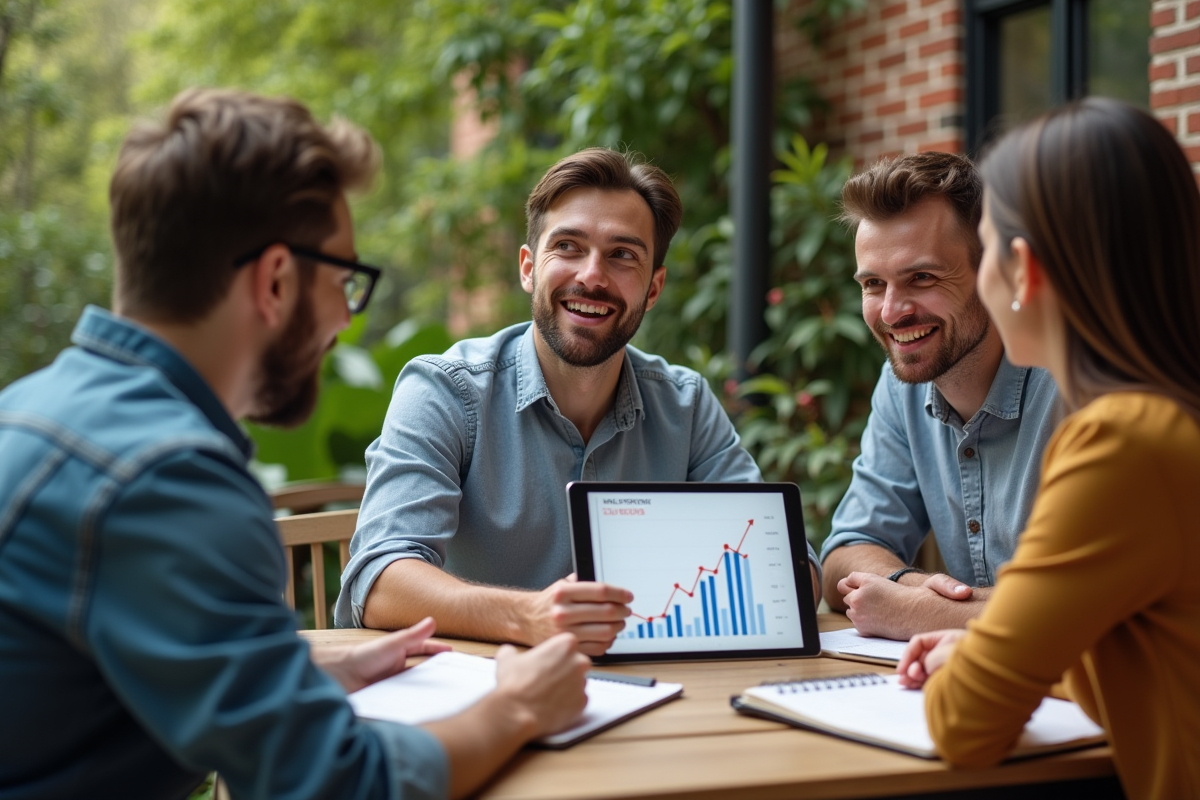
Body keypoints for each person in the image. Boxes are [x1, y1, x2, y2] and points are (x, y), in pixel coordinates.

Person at [0, 88, 591, 800]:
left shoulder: (32, 411)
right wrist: (520, 706)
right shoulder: (171, 480)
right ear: (277, 280)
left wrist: (297, 675)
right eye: (345, 280)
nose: (345, 317)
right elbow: (336, 786)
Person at [336, 147, 821, 650]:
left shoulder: (687, 406)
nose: (592, 275)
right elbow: (379, 583)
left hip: (656, 697)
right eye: (568, 246)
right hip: (487, 694)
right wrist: (527, 616)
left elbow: (792, 572)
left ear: (653, 289)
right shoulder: (445, 392)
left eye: (622, 255)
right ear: (528, 268)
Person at [897, 98, 1200, 800]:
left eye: (987, 245)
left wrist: (981, 666)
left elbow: (965, 724)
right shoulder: (1171, 421)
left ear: (1023, 268)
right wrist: (997, 649)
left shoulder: (1120, 441)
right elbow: (1161, 652)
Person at [818, 151, 1061, 640]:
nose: (891, 313)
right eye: (872, 284)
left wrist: (923, 612)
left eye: (922, 278)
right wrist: (915, 587)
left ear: (995, 272)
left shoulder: (1075, 383)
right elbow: (846, 551)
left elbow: (1104, 604)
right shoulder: (904, 385)